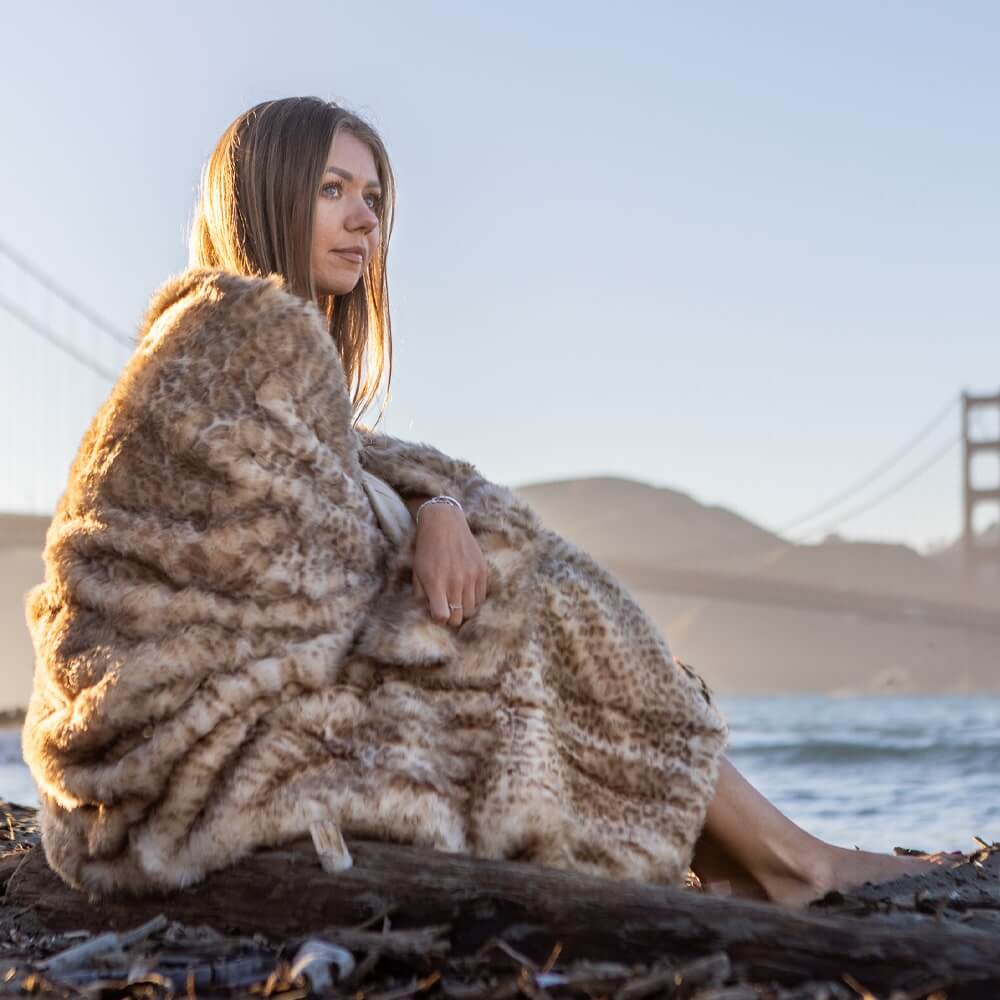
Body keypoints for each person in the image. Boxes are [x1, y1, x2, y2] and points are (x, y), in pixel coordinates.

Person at [24, 97, 954, 905]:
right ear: (259, 194)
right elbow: (296, 578)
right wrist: (435, 532)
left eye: (375, 198)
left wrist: (438, 511)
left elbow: (351, 483)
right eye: (332, 190)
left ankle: (767, 855)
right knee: (528, 599)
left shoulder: (245, 345)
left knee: (517, 604)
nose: (364, 222)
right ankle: (792, 860)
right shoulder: (227, 338)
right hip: (178, 759)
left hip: (162, 752)